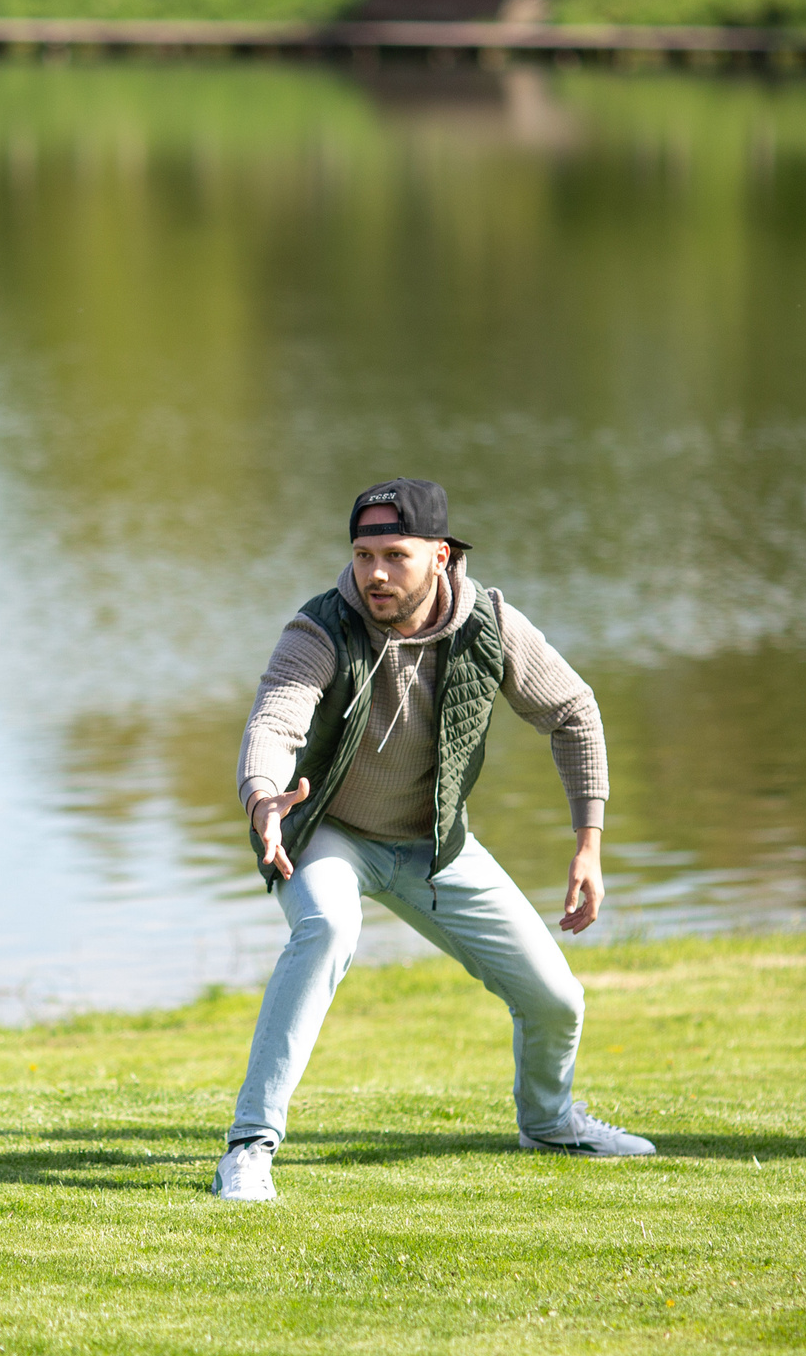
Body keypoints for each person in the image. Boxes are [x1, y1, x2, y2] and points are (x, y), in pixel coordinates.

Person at [213, 477, 652, 1203]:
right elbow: (275, 718)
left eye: (394, 554)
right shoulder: (321, 627)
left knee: (556, 998)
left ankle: (548, 1123)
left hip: (432, 846)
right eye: (362, 554)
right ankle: (249, 1148)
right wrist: (263, 795)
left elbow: (573, 710)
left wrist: (588, 841)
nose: (374, 573)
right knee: (326, 928)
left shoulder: (491, 624)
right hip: (327, 834)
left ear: (441, 555)